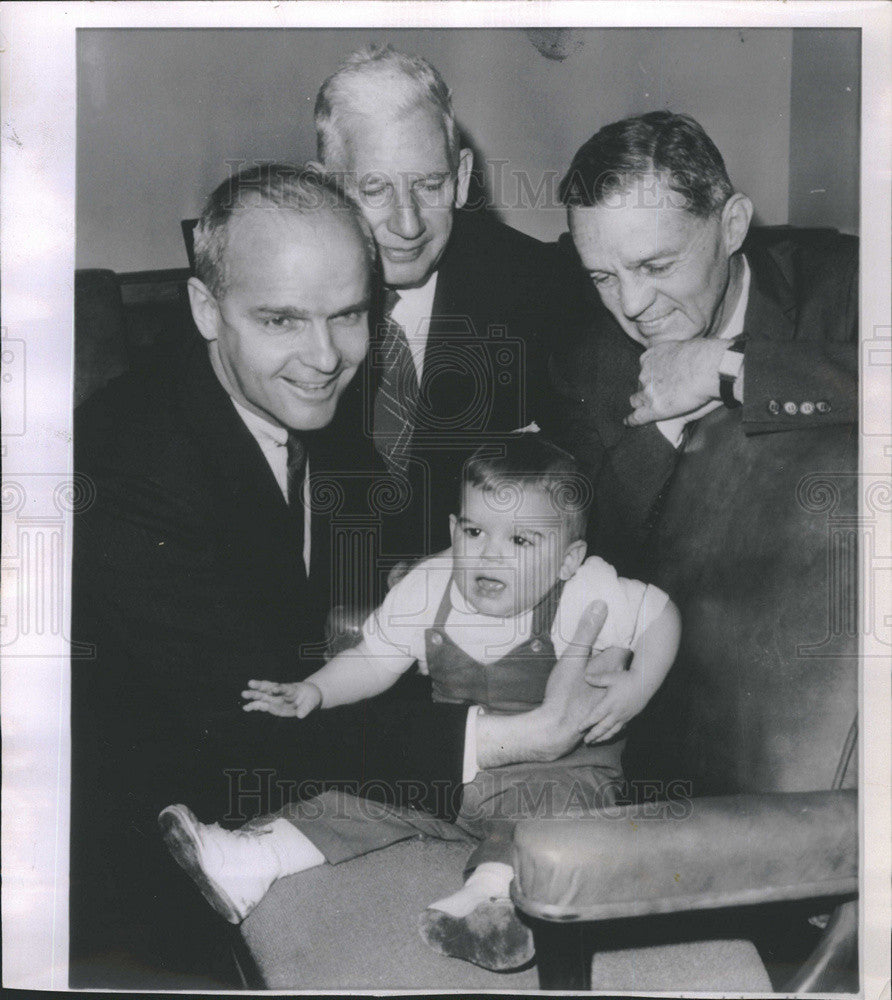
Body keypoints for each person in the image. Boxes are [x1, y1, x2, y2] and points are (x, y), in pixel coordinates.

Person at [70, 164, 627, 986]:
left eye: (348, 316)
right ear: (202, 310)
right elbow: (249, 720)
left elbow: (404, 581)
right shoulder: (123, 465)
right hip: (130, 866)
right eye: (281, 320)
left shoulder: (317, 419)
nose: (324, 356)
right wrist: (516, 736)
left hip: (273, 781)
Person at [157, 434, 680, 971]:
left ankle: (489, 903)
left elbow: (660, 614)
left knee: (554, 820)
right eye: (475, 532)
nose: (489, 555)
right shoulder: (430, 584)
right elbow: (376, 656)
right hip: (456, 779)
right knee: (365, 795)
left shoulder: (587, 588)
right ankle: (250, 862)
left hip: (561, 777)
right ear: (454, 530)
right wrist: (316, 689)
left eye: (521, 542)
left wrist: (638, 686)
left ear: (569, 559)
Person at [546, 111, 858, 576]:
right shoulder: (585, 359)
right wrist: (663, 425)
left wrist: (727, 368)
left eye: (655, 267)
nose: (630, 306)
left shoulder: (848, 284)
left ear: (731, 226)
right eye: (603, 276)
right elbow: (588, 553)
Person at [312, 44, 589, 558]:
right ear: (330, 188)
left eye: (430, 185)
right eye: (375, 189)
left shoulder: (544, 289)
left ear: (461, 178)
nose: (409, 223)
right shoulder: (288, 301)